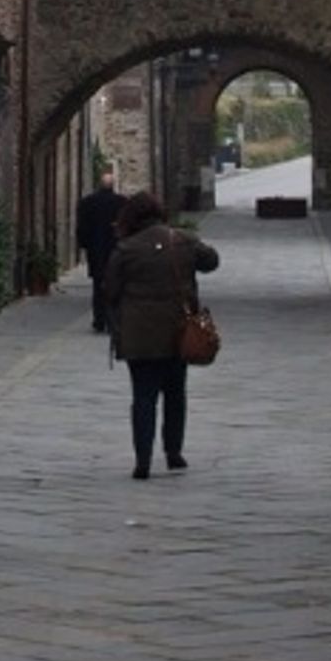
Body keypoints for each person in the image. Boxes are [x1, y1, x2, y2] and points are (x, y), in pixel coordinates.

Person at [101, 189, 220, 478]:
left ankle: (142, 460)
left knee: (143, 397)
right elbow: (211, 261)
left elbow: (110, 290)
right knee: (175, 393)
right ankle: (173, 451)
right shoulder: (182, 240)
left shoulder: (125, 249)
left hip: (138, 335)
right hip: (177, 332)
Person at [75, 167, 126, 334]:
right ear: (113, 185)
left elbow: (81, 228)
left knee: (98, 286)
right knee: (117, 285)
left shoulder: (87, 203)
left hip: (96, 251)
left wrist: (84, 245)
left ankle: (99, 320)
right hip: (117, 251)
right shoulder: (122, 203)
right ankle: (113, 320)